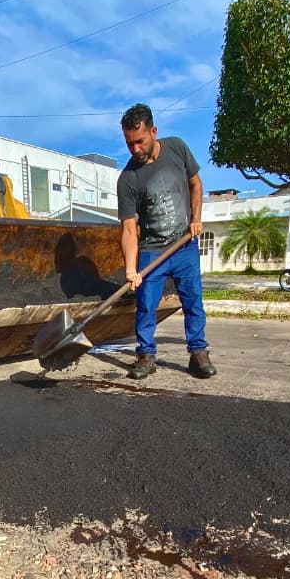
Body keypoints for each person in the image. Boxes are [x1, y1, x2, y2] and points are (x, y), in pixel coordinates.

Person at [116, 103, 215, 380]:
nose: (135, 149)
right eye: (129, 143)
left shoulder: (176, 148)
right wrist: (131, 268)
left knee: (193, 301)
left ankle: (198, 354)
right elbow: (128, 228)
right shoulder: (128, 179)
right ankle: (146, 356)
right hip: (151, 250)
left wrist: (196, 218)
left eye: (140, 141)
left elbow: (196, 183)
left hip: (184, 245)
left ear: (153, 131)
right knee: (146, 305)